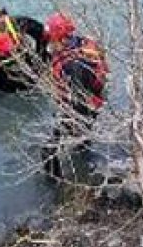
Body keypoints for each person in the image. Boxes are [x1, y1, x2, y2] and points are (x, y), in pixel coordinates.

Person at [42, 12, 108, 178]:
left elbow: (78, 102)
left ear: (61, 39)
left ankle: (55, 185)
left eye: (52, 39)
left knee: (49, 150)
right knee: (83, 141)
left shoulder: (72, 65)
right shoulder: (82, 44)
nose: (49, 42)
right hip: (93, 101)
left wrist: (67, 124)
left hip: (82, 108)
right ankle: (84, 155)